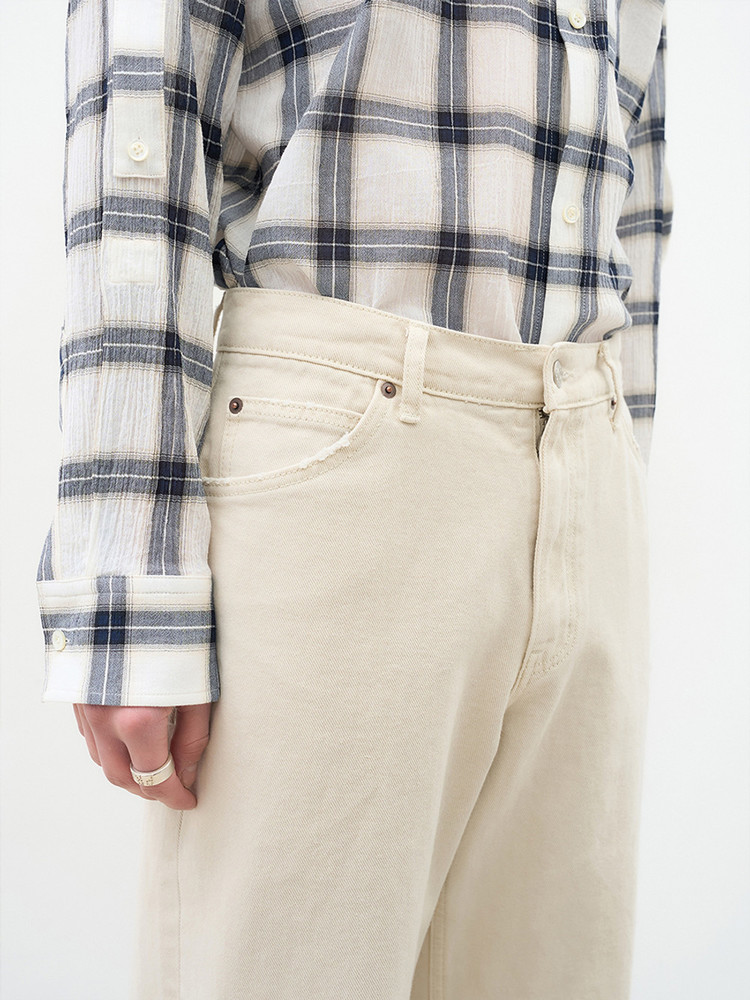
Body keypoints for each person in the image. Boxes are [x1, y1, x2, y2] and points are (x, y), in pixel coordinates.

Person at [36, 0, 673, 996]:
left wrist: (621, 469)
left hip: (585, 444)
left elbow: (638, 185)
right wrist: (128, 571)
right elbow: (141, 128)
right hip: (341, 442)